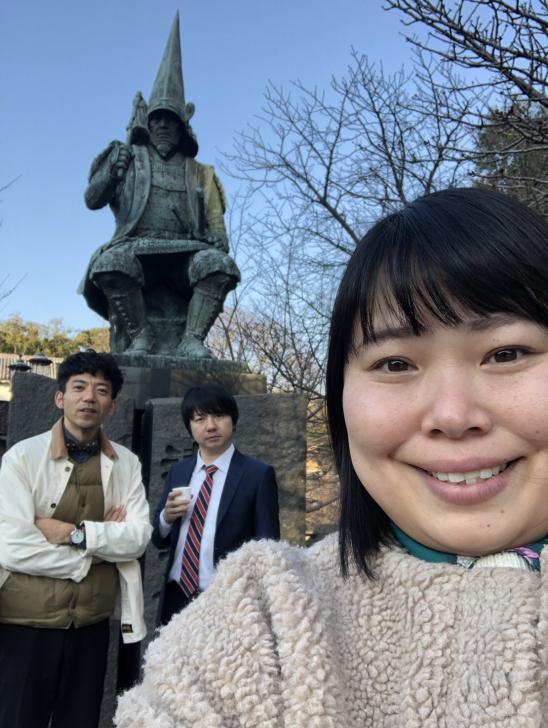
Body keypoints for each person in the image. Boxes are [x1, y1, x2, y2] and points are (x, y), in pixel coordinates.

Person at [115, 187, 548, 727]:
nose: (453, 416)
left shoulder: (256, 474)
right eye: (395, 363)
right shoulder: (269, 612)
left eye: (507, 353)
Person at [0, 351, 151, 728]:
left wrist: (73, 534)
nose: (89, 398)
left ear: (112, 406)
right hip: (26, 624)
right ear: (60, 397)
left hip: (90, 626)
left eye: (101, 390)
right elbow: (12, 547)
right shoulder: (22, 458)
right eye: (79, 387)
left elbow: (137, 538)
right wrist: (99, 551)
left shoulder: (127, 463)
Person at [80, 14, 240, 358]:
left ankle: (191, 340)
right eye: (158, 118)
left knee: (220, 265)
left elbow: (217, 229)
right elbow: (92, 199)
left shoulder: (202, 173)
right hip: (137, 250)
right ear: (148, 122)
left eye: (171, 119)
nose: (164, 125)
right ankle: (139, 337)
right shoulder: (127, 157)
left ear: (183, 127)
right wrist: (112, 174)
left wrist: (217, 240)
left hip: (186, 255)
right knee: (110, 263)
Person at [151, 383, 280, 626]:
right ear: (189, 427)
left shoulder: (257, 475)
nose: (210, 426)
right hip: (176, 597)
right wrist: (166, 519)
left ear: (233, 421)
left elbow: (268, 546)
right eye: (200, 419)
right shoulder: (179, 472)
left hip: (229, 599)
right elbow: (158, 538)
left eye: (219, 416)